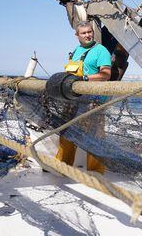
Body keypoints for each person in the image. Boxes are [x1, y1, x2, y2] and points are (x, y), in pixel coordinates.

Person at [56, 21, 112, 173]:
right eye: (84, 33)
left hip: (93, 101)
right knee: (66, 132)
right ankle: (62, 166)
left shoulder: (101, 51)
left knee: (94, 136)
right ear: (77, 35)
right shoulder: (76, 51)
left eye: (89, 32)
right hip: (73, 100)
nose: (87, 35)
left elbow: (106, 74)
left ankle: (95, 171)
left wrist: (85, 79)